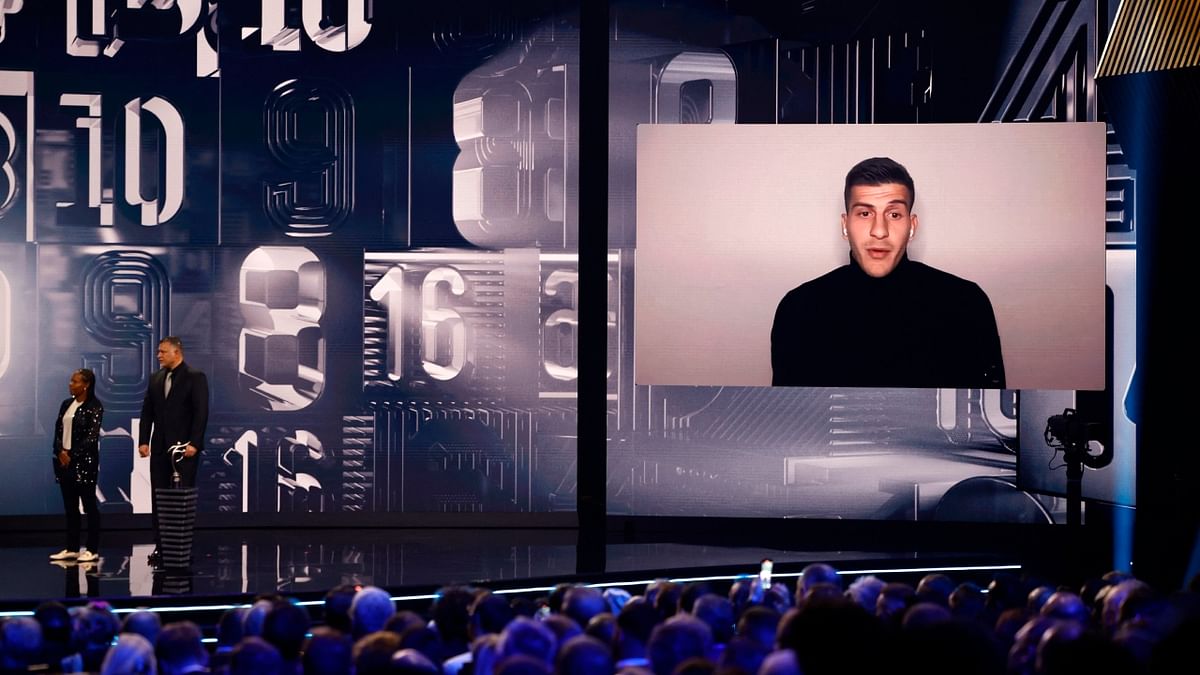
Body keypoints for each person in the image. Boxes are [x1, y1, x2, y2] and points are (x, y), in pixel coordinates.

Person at [771, 157, 1005, 388]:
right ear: (845, 225)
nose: (879, 231)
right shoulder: (799, 309)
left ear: (912, 226)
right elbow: (789, 418)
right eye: (865, 213)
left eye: (894, 214)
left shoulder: (965, 304)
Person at [138, 336, 208, 567]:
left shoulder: (195, 377)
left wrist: (194, 443)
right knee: (159, 498)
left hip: (184, 449)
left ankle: (181, 548)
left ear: (177, 353)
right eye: (158, 351)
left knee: (181, 499)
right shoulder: (155, 378)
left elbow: (201, 413)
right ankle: (161, 546)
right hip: (159, 448)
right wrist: (143, 441)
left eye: (162, 351)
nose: (158, 355)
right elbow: (147, 411)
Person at [49, 368, 104, 564]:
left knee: (89, 506)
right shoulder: (66, 404)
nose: (70, 384)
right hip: (64, 462)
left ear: (86, 384)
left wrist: (71, 454)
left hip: (84, 463)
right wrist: (60, 451)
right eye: (71, 381)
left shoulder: (94, 406)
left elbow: (91, 437)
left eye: (75, 381)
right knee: (70, 507)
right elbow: (57, 430)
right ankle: (72, 548)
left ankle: (91, 549)